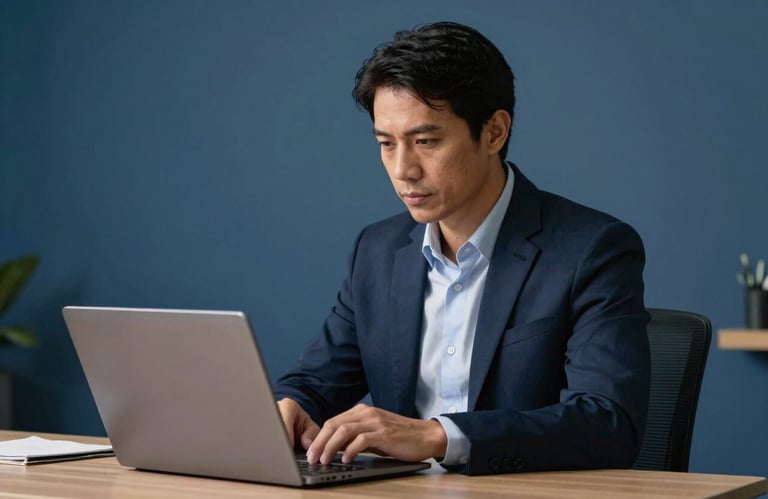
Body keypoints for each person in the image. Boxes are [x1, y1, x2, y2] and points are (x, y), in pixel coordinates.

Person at [273, 21, 650, 475]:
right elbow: (317, 379)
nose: (402, 169)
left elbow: (607, 423)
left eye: (425, 141)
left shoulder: (592, 249)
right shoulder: (377, 250)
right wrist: (291, 405)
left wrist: (437, 435)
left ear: (494, 132)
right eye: (386, 144)